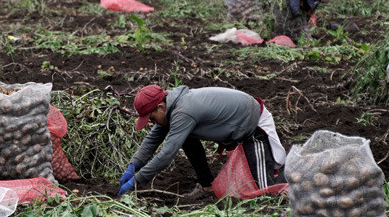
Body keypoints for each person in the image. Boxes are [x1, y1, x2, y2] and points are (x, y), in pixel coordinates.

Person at [118, 85, 286, 200]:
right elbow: (152, 140)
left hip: (253, 127)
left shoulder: (183, 111)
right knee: (187, 139)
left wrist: (137, 180)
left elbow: (166, 155)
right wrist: (132, 167)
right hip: (236, 130)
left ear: (160, 107)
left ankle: (297, 175)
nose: (152, 123)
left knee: (264, 191)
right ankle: (207, 186)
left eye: (152, 118)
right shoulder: (171, 107)